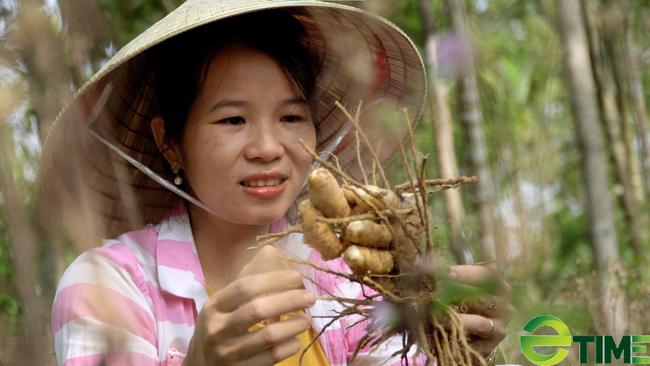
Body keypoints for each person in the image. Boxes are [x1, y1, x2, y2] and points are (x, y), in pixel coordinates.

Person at [43, 1, 514, 365]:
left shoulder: (350, 286)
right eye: (232, 120)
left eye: (292, 116)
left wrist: (457, 347)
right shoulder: (110, 285)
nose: (268, 147)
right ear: (170, 142)